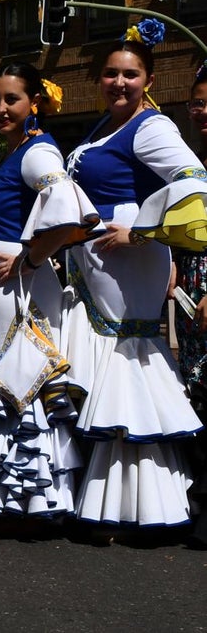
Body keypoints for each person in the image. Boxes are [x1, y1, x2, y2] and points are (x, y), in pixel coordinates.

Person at [0, 63, 102, 528]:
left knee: (19, 387)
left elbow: (73, 210)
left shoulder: (36, 152)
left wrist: (32, 258)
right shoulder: (16, 153)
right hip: (1, 291)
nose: (0, 109)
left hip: (16, 291)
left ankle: (29, 502)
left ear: (34, 102)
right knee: (10, 387)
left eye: (11, 99)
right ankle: (14, 499)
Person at [64, 21, 204, 531]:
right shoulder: (104, 127)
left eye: (129, 74)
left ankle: (148, 505)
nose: (118, 83)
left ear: (148, 79)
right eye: (109, 74)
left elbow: (194, 179)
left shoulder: (152, 127)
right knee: (114, 371)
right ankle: (116, 501)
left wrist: (144, 233)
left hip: (130, 261)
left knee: (133, 367)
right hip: (100, 264)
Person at [174, 62, 207, 547]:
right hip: (191, 299)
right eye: (199, 103)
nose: (204, 111)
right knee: (197, 396)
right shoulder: (193, 160)